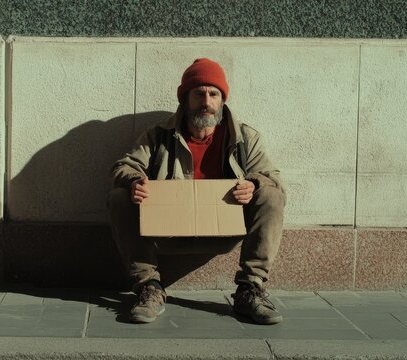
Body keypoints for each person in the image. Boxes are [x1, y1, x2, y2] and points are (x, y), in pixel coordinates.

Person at [107, 58, 285, 325]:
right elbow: (124, 166)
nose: (206, 101)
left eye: (213, 94)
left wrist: (254, 184)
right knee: (119, 196)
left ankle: (250, 289)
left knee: (272, 194)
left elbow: (274, 179)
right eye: (198, 93)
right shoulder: (158, 135)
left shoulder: (244, 138)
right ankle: (149, 287)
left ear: (222, 100)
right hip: (166, 231)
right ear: (185, 99)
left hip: (226, 231)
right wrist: (135, 181)